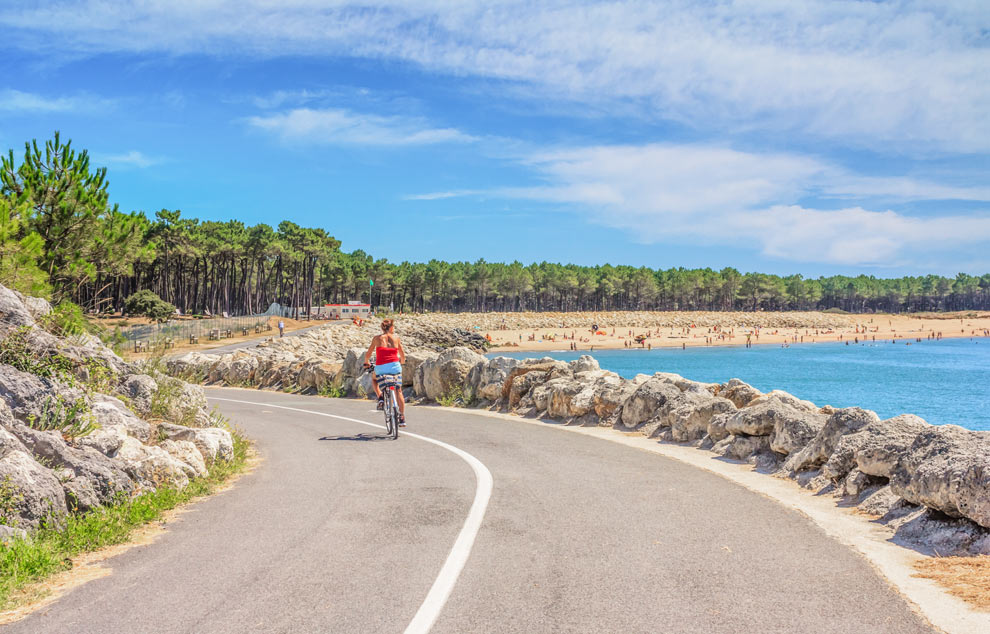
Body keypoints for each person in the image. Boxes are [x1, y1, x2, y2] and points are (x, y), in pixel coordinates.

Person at [364, 318, 407, 426]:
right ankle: (401, 417)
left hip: (381, 368)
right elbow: (402, 355)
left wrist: (366, 362)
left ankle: (380, 397)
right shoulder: (396, 338)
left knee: (374, 379)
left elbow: (368, 353)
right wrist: (402, 362)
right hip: (395, 367)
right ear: (391, 327)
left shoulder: (376, 339)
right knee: (399, 391)